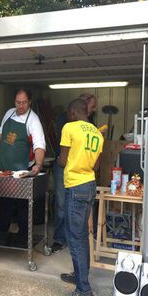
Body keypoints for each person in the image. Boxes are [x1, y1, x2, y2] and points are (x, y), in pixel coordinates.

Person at [57, 98, 103, 296]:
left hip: (75, 187)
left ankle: (83, 289)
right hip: (90, 185)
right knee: (82, 234)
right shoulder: (96, 132)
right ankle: (79, 274)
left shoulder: (70, 128)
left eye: (69, 112)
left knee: (74, 238)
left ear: (74, 112)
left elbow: (63, 160)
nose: (68, 116)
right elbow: (96, 164)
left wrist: (59, 159)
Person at [0, 88, 46, 246]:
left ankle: (23, 239)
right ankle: (1, 235)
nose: (21, 106)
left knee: (22, 206)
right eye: (18, 102)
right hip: (4, 170)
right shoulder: (9, 113)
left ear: (29, 102)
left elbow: (39, 145)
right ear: (14, 102)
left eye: (24, 102)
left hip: (21, 172)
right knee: (4, 203)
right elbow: (1, 131)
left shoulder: (33, 120)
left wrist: (38, 164)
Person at [52, 94, 98, 253]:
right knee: (61, 203)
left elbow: (64, 159)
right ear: (79, 109)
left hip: (75, 176)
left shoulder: (90, 126)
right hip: (79, 176)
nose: (94, 110)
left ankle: (74, 244)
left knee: (72, 211)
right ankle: (60, 238)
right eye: (92, 107)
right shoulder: (65, 121)